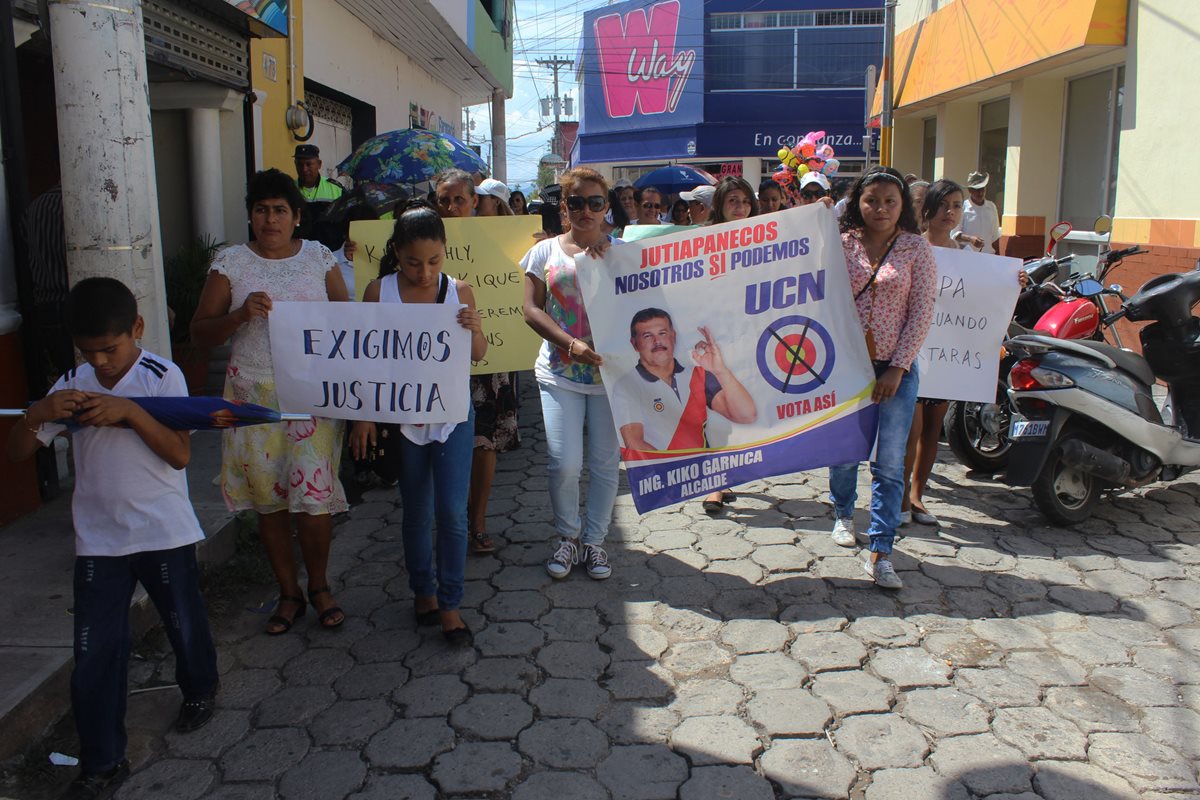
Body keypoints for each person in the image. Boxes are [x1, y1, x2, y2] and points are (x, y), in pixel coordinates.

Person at [7, 278, 220, 799]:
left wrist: (128, 413)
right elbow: (17, 453)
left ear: (137, 330)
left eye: (110, 348)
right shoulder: (72, 383)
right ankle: (101, 762)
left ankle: (200, 687)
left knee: (182, 621)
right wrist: (38, 414)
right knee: (94, 652)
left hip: (162, 530)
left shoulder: (161, 377)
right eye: (89, 351)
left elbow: (180, 454)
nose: (100, 362)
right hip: (99, 541)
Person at [191, 168, 350, 634]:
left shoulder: (319, 258)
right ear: (250, 216)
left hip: (312, 396)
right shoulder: (231, 264)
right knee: (270, 499)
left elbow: (349, 329)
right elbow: (200, 334)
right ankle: (288, 592)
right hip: (251, 396)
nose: (270, 219)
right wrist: (240, 315)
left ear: (297, 217)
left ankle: (320, 586)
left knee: (314, 498)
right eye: (261, 210)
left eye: (280, 210)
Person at [350, 201, 486, 643]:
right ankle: (422, 591)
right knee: (417, 510)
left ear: (445, 252)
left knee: (451, 511)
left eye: (433, 261)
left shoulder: (458, 290)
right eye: (412, 262)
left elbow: (479, 354)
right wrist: (365, 418)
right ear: (396, 254)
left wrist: (475, 327)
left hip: (452, 416)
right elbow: (366, 359)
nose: (424, 273)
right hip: (404, 419)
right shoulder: (378, 291)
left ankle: (451, 604)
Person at [828, 166, 937, 590]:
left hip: (897, 370)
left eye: (891, 201)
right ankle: (841, 512)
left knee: (890, 465)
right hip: (847, 367)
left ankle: (881, 550)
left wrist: (897, 367)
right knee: (843, 453)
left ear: (903, 206)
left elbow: (922, 312)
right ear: (857, 201)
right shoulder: (841, 244)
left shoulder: (915, 249)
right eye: (872, 200)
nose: (881, 208)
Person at [521, 167, 620, 581]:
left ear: (606, 208)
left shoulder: (623, 253)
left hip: (611, 379)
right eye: (576, 202)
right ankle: (568, 537)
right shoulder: (545, 253)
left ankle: (594, 543)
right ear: (564, 208)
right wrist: (571, 345)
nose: (586, 210)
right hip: (559, 373)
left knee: (603, 464)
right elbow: (531, 309)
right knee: (564, 463)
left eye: (595, 202)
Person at [450, 171, 522, 555]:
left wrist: (536, 246)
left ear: (473, 201)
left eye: (459, 200)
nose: (451, 208)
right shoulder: (420, 237)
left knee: (484, 443)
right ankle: (450, 520)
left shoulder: (500, 238)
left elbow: (527, 270)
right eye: (443, 201)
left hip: (490, 358)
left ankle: (476, 522)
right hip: (438, 363)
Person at [613, 308, 757, 456]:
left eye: (662, 333)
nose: (657, 341)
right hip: (662, 475)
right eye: (648, 336)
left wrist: (721, 371)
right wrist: (676, 470)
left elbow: (746, 415)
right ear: (635, 344)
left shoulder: (697, 375)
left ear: (673, 337)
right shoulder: (627, 385)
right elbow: (634, 443)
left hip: (703, 470)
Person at [700, 175, 759, 512]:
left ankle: (729, 474)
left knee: (742, 411)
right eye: (732, 201)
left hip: (752, 339)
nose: (740, 207)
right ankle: (715, 484)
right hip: (716, 339)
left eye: (745, 201)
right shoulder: (702, 239)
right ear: (720, 205)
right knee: (717, 410)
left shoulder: (767, 237)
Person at [957, 170, 1001, 253]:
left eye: (982, 189)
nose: (980, 192)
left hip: (988, 255)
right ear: (970, 190)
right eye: (976, 189)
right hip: (968, 256)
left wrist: (998, 256)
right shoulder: (963, 207)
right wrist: (970, 239)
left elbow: (995, 236)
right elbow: (954, 234)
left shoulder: (991, 207)